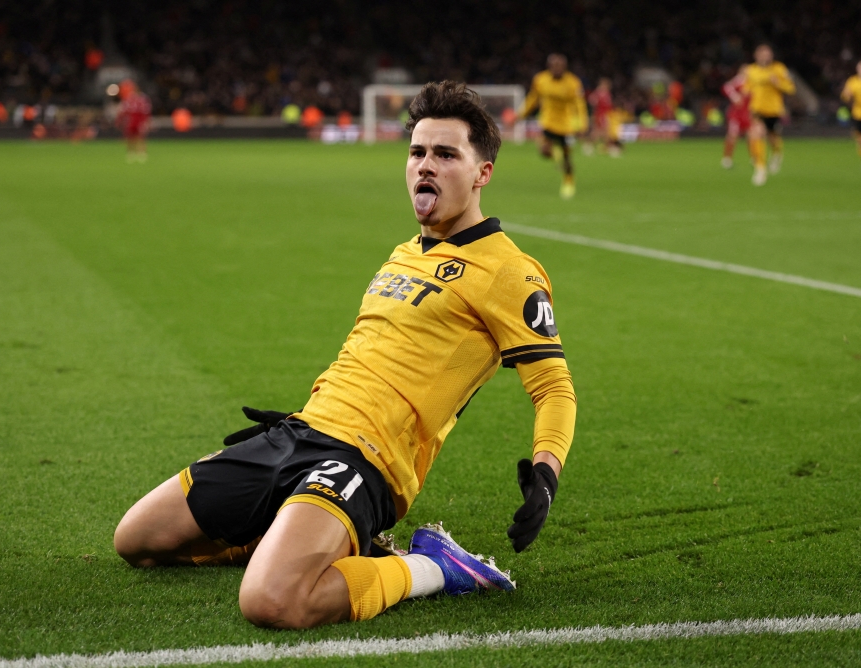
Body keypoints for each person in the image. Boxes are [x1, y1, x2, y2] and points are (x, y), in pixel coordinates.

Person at [113, 81, 577, 630]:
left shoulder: (508, 272)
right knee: (136, 541)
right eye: (417, 152)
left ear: (483, 173)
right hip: (300, 432)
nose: (425, 166)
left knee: (271, 602)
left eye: (446, 155)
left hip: (366, 460)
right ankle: (289, 533)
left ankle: (433, 567)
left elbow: (554, 388)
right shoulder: (405, 252)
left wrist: (545, 475)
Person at [520, 54, 588, 199]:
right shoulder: (541, 80)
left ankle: (568, 181)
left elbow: (579, 104)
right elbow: (533, 99)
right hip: (548, 122)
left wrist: (582, 124)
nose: (557, 69)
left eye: (560, 66)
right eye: (554, 66)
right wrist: (520, 114)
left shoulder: (573, 82)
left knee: (568, 159)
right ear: (549, 66)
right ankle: (556, 156)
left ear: (565, 67)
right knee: (544, 150)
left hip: (566, 124)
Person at [743, 44, 795, 186]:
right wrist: (744, 94)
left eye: (767, 53)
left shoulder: (779, 69)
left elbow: (790, 88)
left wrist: (777, 83)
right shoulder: (751, 70)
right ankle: (760, 169)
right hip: (757, 110)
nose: (765, 56)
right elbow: (746, 88)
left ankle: (777, 154)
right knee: (755, 134)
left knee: (772, 138)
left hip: (774, 110)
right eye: (762, 53)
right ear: (756, 55)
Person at [721, 65, 751, 169]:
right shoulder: (740, 80)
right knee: (732, 136)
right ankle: (727, 159)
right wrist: (735, 97)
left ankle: (755, 158)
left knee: (751, 136)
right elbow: (726, 87)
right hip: (736, 114)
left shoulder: (753, 83)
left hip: (749, 114)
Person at [116, 79, 152, 163]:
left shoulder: (143, 99)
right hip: (131, 120)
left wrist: (147, 122)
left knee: (140, 137)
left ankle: (141, 153)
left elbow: (146, 111)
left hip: (139, 120)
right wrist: (120, 120)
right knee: (130, 137)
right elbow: (124, 110)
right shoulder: (129, 98)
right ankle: (131, 153)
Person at [585, 77, 622, 157]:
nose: (608, 86)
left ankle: (590, 146)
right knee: (603, 132)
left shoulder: (607, 93)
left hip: (606, 115)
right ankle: (611, 147)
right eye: (607, 84)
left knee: (599, 132)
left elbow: (609, 105)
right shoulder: (598, 93)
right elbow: (591, 101)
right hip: (601, 115)